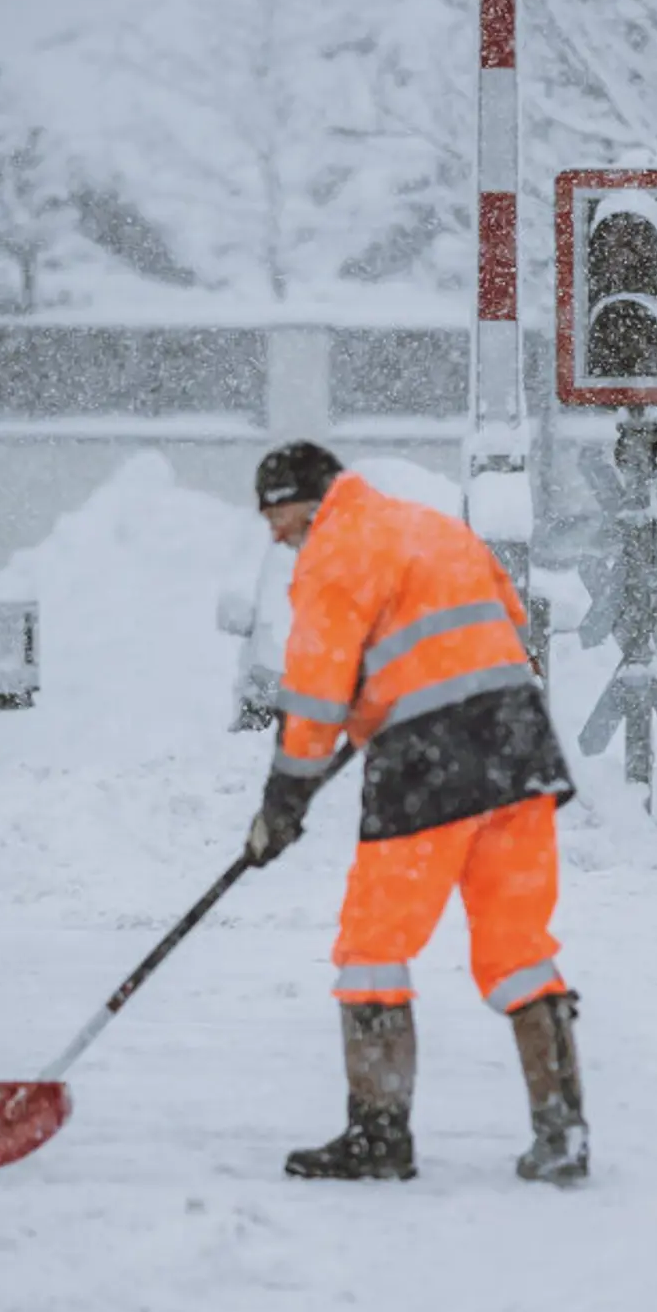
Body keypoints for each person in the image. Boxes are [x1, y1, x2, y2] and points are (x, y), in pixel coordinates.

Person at [245, 441, 587, 1185]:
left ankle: (378, 1136)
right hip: (518, 741)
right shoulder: (431, 526)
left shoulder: (334, 551)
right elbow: (506, 621)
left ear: (308, 500)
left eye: (278, 518)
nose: (278, 536)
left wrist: (284, 799)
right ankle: (562, 1130)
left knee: (373, 943)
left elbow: (314, 693)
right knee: (518, 944)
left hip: (427, 758)